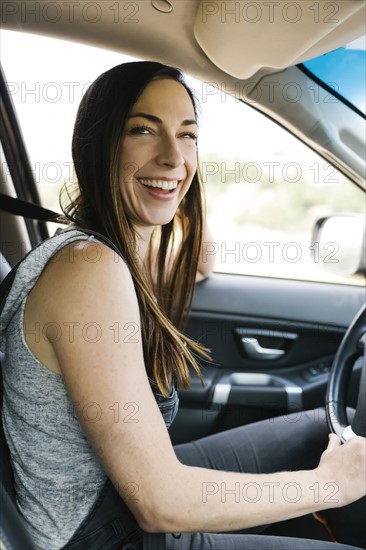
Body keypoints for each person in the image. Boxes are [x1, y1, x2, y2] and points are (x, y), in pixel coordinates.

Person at [0, 61, 365, 550]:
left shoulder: (118, 248)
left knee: (322, 426)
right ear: (99, 145)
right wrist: (330, 486)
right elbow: (159, 504)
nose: (173, 154)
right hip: (105, 534)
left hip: (122, 495)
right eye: (143, 130)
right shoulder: (88, 268)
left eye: (188, 135)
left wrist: (178, 186)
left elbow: (198, 264)